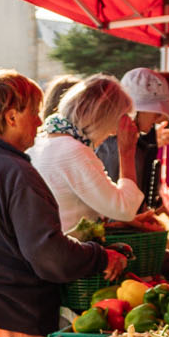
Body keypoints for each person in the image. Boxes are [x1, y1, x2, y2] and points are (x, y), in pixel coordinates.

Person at [0, 73, 125, 337]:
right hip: (5, 326)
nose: (40, 122)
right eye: (35, 112)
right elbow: (49, 256)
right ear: (11, 116)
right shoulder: (15, 172)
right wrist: (100, 256)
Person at [29, 74, 144, 230]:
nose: (112, 133)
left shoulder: (41, 140)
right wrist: (127, 152)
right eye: (113, 126)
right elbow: (124, 209)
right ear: (102, 119)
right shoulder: (74, 152)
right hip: (69, 250)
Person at [98, 67, 169, 201]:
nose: (159, 118)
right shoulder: (114, 145)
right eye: (157, 111)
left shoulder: (131, 140)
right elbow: (116, 203)